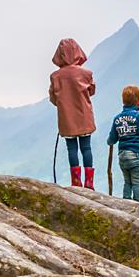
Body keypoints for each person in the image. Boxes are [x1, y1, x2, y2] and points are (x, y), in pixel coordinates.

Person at [49, 38, 97, 189]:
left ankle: (76, 182)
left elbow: (53, 98)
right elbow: (92, 91)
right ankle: (89, 183)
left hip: (67, 119)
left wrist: (64, 105)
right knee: (86, 148)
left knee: (72, 149)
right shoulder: (86, 73)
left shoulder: (55, 77)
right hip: (84, 116)